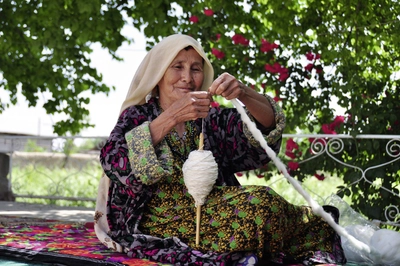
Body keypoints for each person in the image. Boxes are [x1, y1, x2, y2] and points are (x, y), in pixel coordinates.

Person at [94, 34, 346, 265]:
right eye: (177, 67)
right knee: (258, 209)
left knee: (268, 204)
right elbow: (115, 162)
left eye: (195, 69)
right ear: (159, 73)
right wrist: (170, 118)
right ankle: (253, 247)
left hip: (214, 208)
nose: (187, 77)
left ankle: (265, 242)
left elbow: (262, 133)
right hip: (156, 218)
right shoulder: (137, 116)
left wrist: (245, 93)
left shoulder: (209, 119)